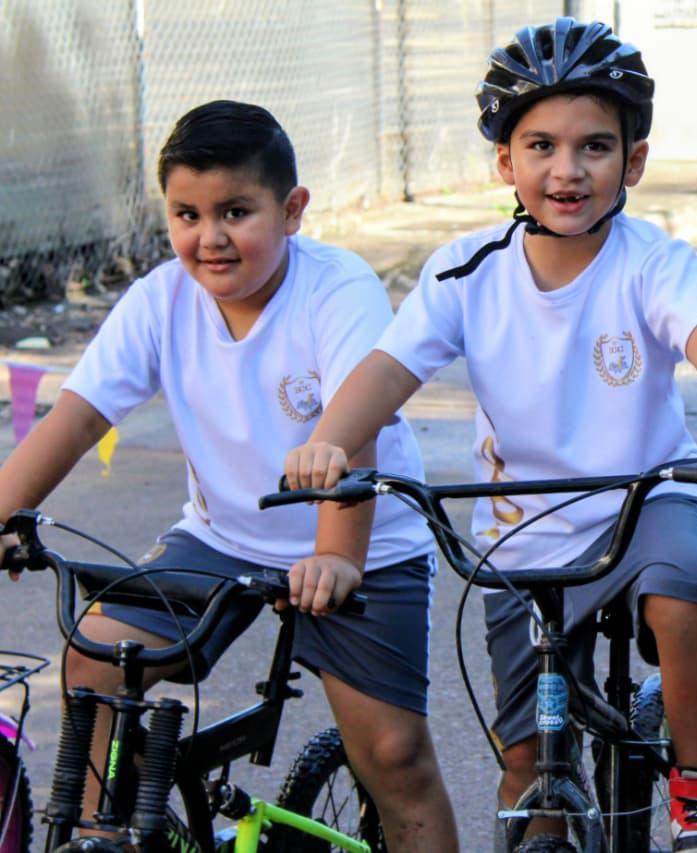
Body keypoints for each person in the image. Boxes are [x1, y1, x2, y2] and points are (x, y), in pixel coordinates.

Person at [283, 18, 697, 853]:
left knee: (686, 590)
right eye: (541, 146)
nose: (568, 170)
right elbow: (386, 370)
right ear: (505, 162)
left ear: (633, 161)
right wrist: (333, 441)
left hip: (645, 499)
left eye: (595, 147)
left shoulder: (651, 262)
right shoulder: (465, 270)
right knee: (527, 765)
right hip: (521, 526)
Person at [0, 101, 459, 852]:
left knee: (393, 756)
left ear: (292, 210)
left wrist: (338, 555)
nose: (209, 237)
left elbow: (358, 427)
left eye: (236, 213)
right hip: (220, 539)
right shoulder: (162, 298)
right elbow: (76, 418)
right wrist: (3, 513)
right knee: (94, 659)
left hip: (361, 544)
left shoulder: (335, 288)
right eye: (187, 215)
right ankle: (93, 838)